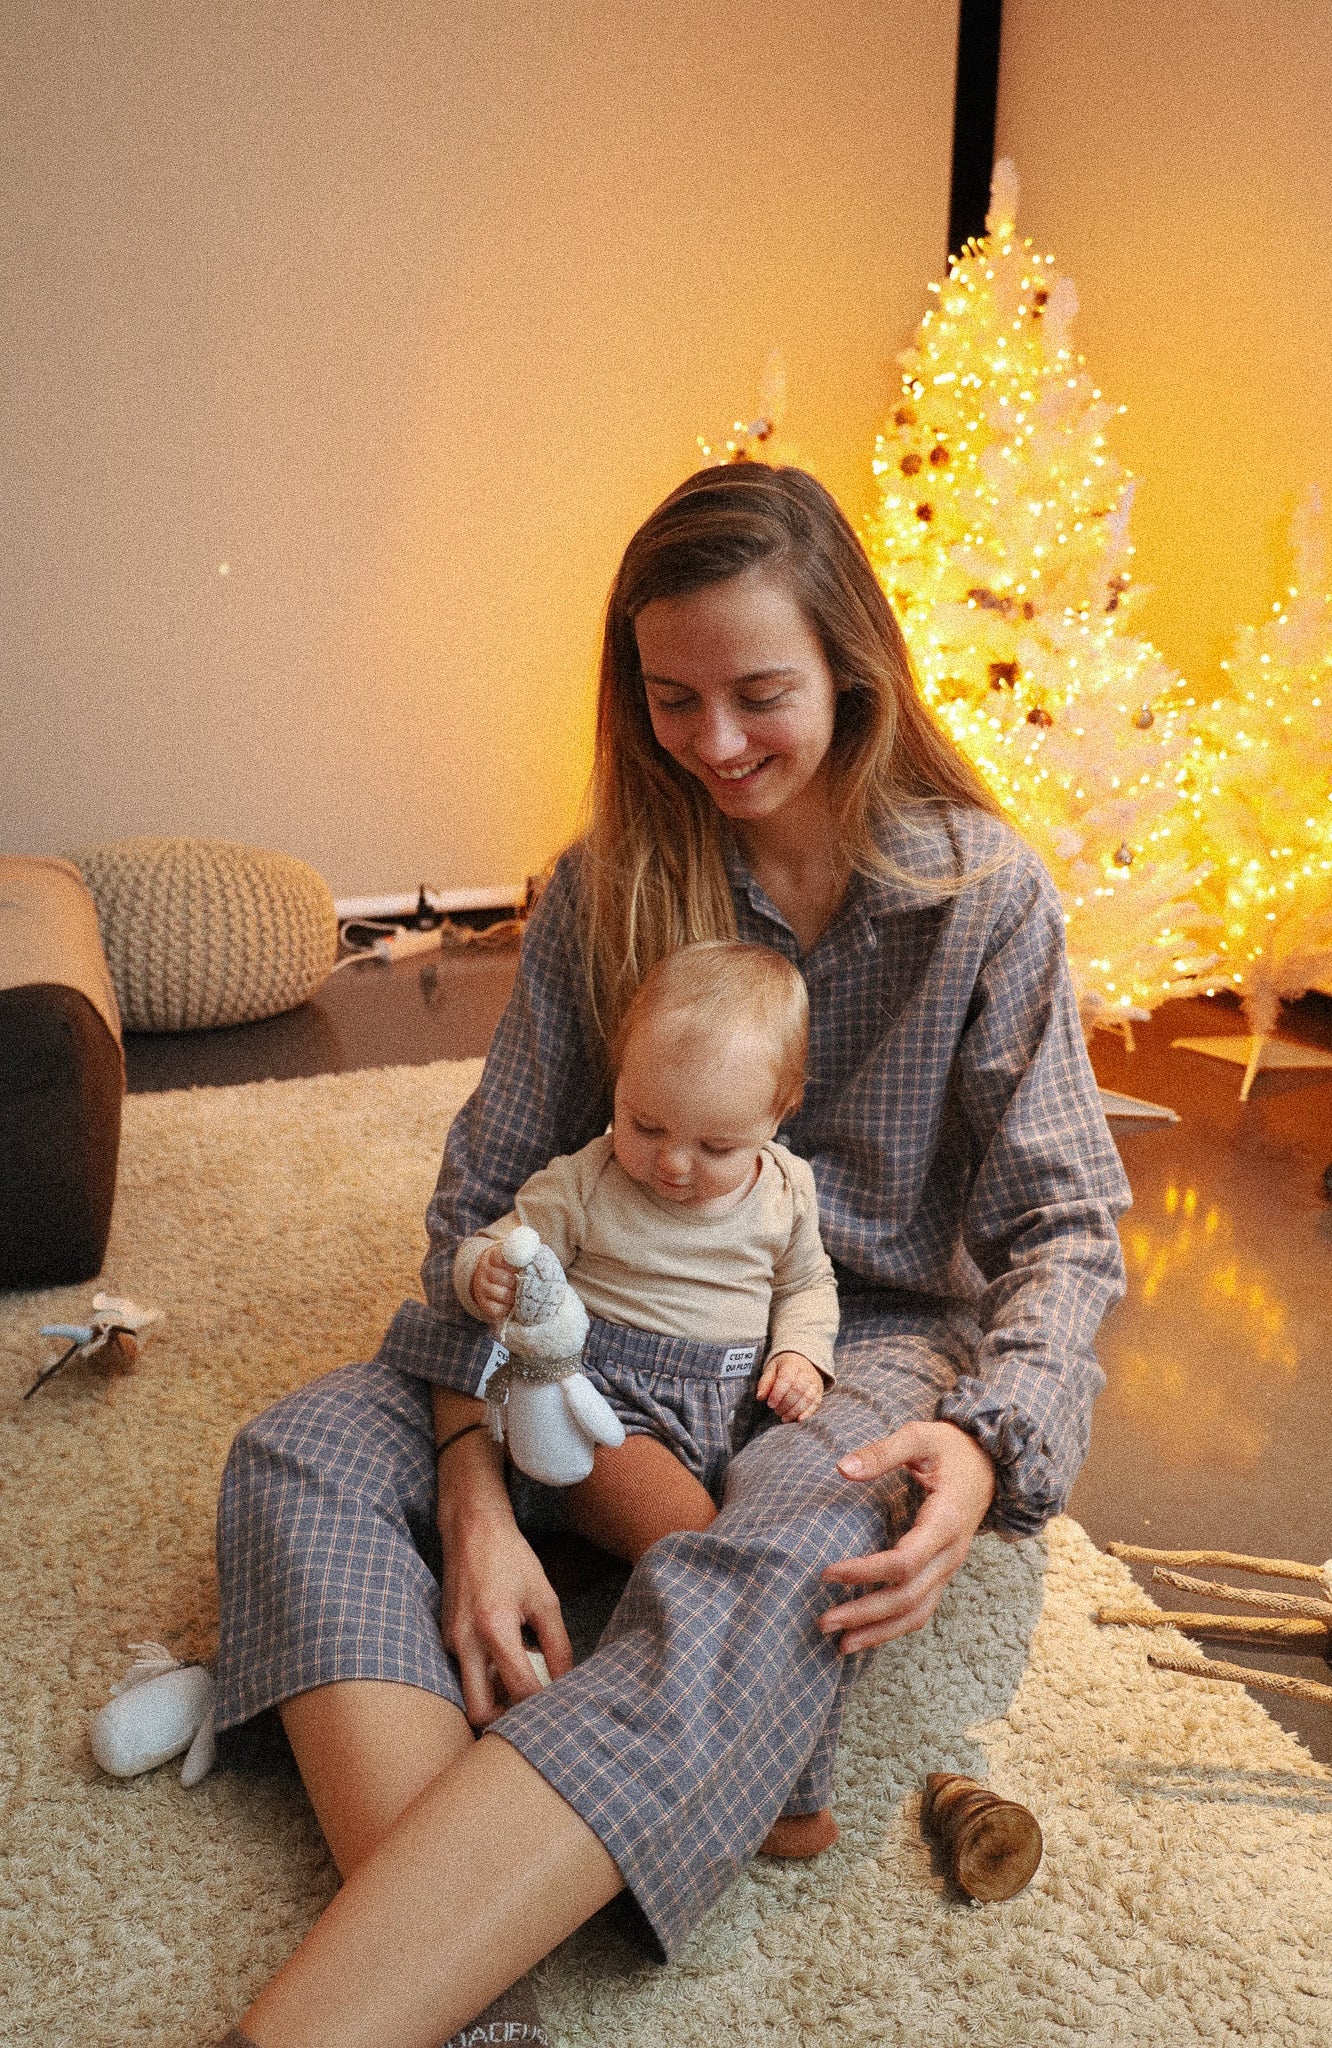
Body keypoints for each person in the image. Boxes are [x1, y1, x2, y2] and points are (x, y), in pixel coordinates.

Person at [213, 462, 1130, 2048]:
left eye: (759, 695)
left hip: (853, 1342)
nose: (713, 743)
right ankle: (467, 2013)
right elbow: (482, 1206)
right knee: (297, 1455)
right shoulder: (601, 889)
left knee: (786, 1562)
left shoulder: (985, 897)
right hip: (593, 1329)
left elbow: (1063, 1223)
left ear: (851, 667)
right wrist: (473, 1488)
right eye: (671, 699)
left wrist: (990, 1443)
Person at [458, 938, 838, 1579]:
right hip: (605, 1403)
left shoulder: (788, 1189)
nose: (674, 1164)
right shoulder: (587, 1181)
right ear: (621, 1082)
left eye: (716, 1146)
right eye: (646, 1126)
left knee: (805, 1518)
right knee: (688, 1535)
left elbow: (806, 1284)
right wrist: (482, 1272)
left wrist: (800, 1352)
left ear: (779, 1113)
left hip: (736, 1407)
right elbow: (502, 1242)